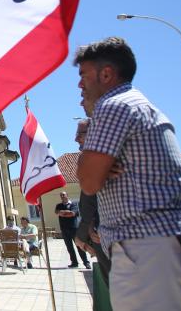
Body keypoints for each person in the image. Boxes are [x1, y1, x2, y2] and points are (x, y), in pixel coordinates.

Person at [75, 37, 181, 310]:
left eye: (83, 75)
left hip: (150, 253)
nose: (79, 84)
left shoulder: (114, 105)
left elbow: (88, 180)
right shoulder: (137, 105)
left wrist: (94, 160)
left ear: (106, 74)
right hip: (174, 249)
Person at [72, 117, 111, 284]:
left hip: (109, 235)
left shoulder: (104, 159)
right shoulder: (93, 159)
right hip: (99, 233)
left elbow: (90, 198)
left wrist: (81, 234)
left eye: (81, 134)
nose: (76, 138)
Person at [55, 191, 90, 269]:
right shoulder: (59, 205)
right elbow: (57, 212)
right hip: (64, 229)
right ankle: (74, 263)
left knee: (79, 246)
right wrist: (66, 213)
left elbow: (72, 214)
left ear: (67, 195)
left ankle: (86, 262)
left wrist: (63, 213)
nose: (62, 196)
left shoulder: (73, 204)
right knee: (69, 247)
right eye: (61, 195)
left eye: (63, 195)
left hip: (74, 229)